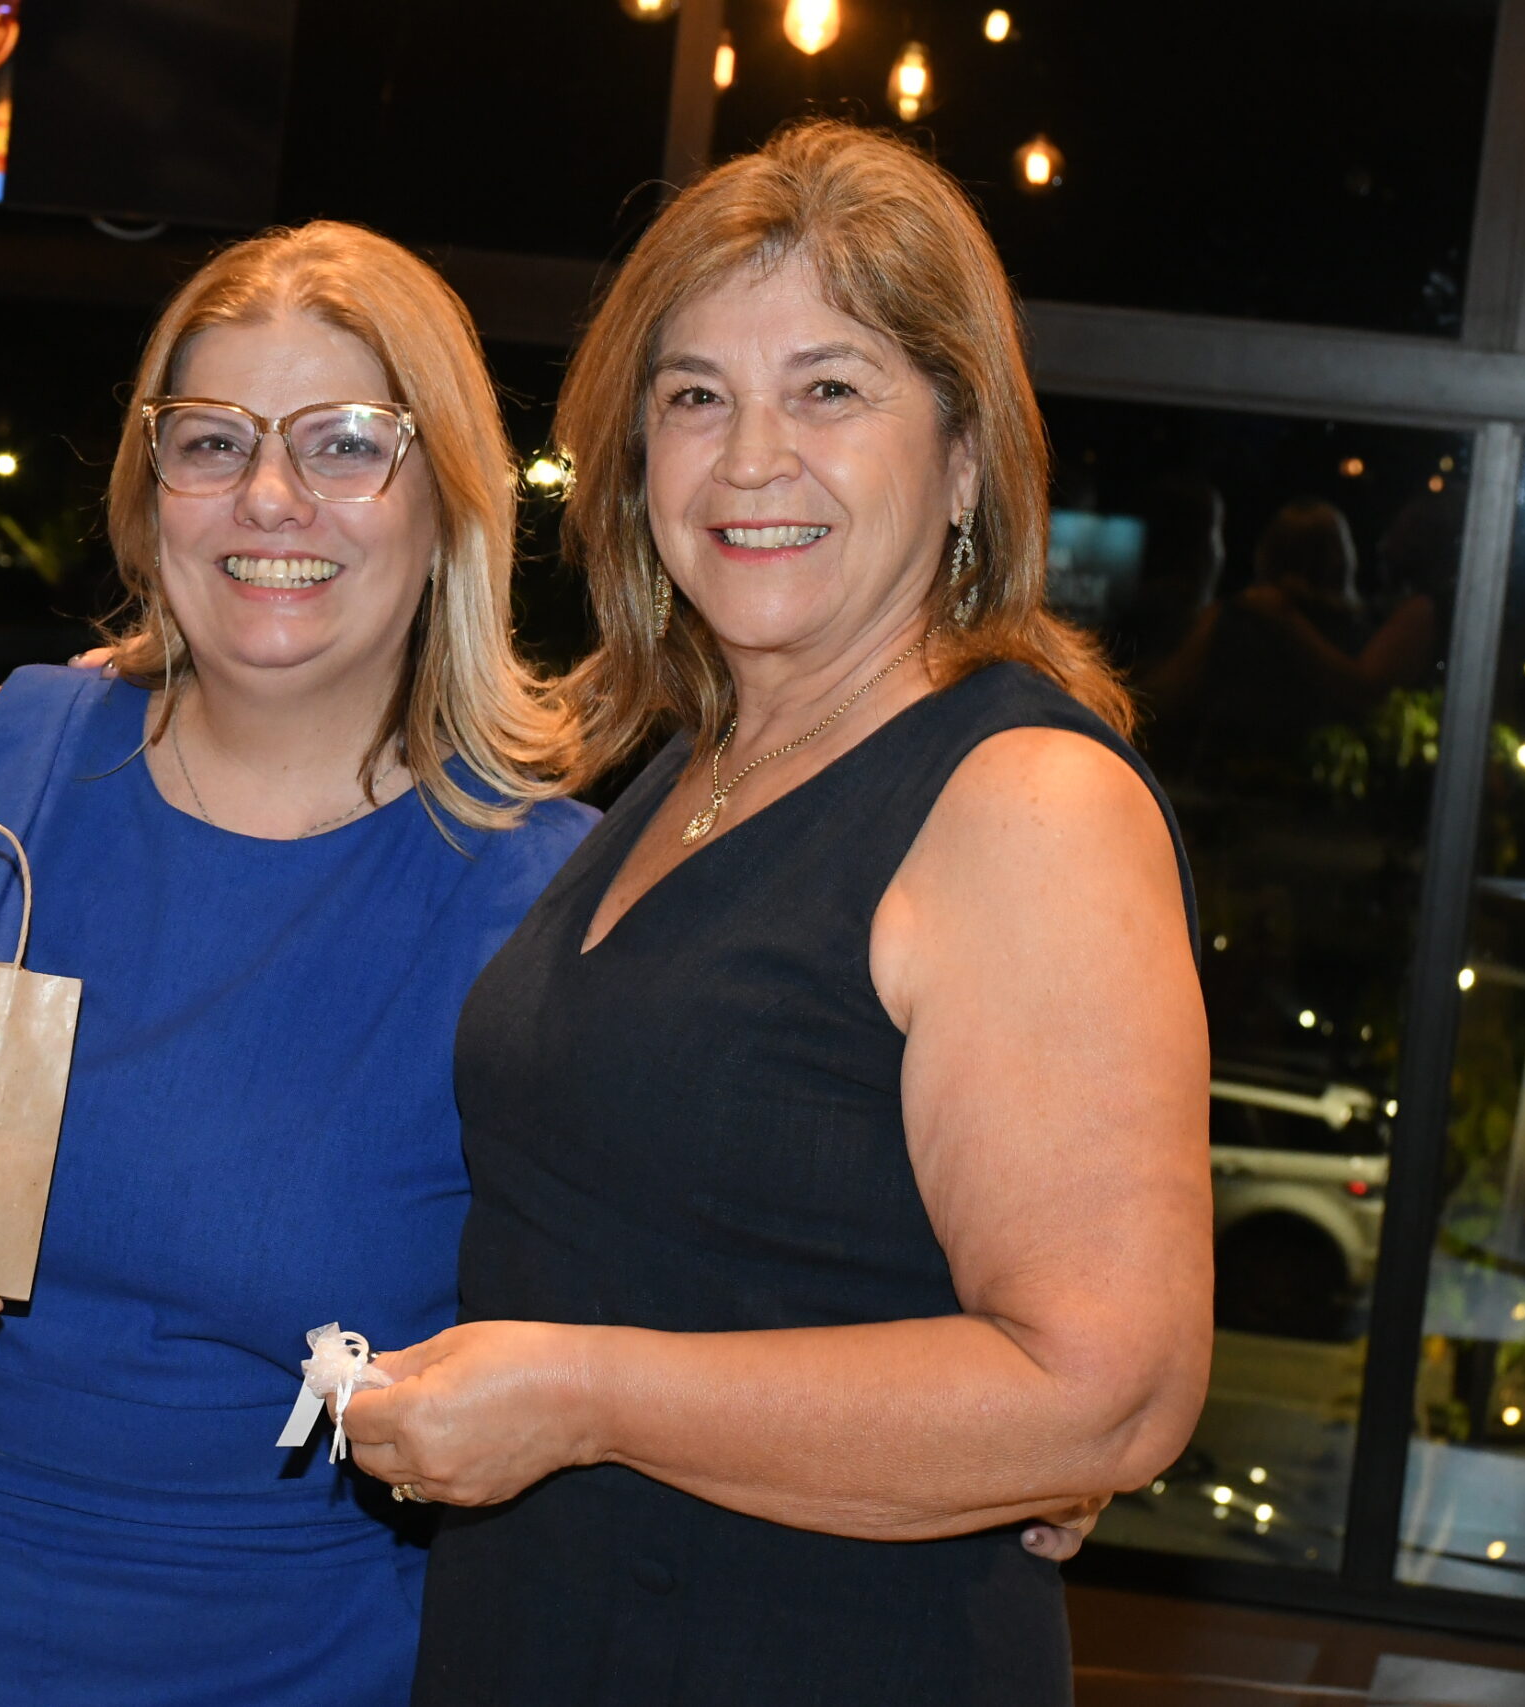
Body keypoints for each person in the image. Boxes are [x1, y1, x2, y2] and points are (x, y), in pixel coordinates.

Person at [342, 120, 1211, 1704]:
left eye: (829, 389)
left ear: (964, 456)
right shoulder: (696, 766)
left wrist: (584, 1399)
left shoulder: (1025, 802)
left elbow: (1103, 1397)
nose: (750, 459)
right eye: (696, 398)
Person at [0, 221, 595, 1707]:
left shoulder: (548, 896)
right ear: (152, 497)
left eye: (346, 443)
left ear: (451, 499)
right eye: (213, 442)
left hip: (285, 1663)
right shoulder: (8, 760)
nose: (270, 496)